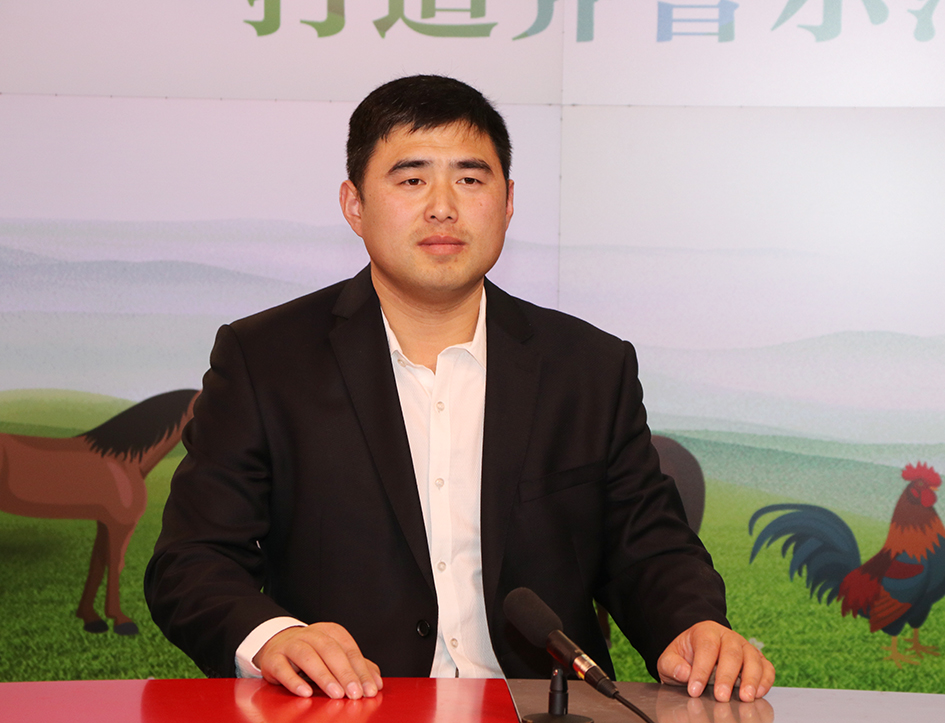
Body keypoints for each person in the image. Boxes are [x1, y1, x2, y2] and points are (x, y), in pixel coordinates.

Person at [145, 75, 774, 704]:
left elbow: (648, 548)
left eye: (470, 180)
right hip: (350, 707)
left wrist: (692, 626)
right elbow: (193, 561)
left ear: (507, 202)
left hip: (542, 709)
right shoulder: (266, 360)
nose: (443, 206)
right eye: (411, 180)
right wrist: (274, 636)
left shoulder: (587, 367)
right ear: (354, 205)